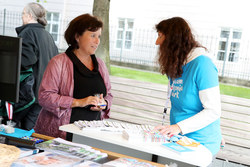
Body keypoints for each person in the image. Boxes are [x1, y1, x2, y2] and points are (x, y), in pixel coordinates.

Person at [34, 14, 113, 140]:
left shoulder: (101, 64)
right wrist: (78, 102)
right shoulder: (58, 62)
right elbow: (45, 97)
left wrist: (103, 104)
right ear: (77, 36)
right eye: (93, 36)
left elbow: (108, 95)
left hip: (92, 135)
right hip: (61, 136)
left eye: (99, 36)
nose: (97, 41)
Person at [154, 17, 222, 157]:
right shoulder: (176, 65)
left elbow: (213, 110)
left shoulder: (202, 65)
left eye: (160, 36)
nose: (157, 42)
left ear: (173, 40)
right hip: (179, 139)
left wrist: (178, 127)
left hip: (200, 142)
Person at [2, 3, 58, 130]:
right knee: (28, 133)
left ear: (29, 15)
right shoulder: (48, 36)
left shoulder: (27, 33)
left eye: (23, 14)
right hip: (41, 95)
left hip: (27, 95)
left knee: (11, 131)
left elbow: (25, 61)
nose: (22, 17)